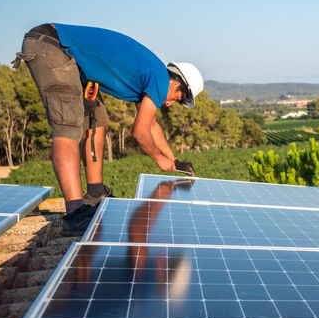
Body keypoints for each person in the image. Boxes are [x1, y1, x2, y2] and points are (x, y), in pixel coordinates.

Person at [13, 23, 201, 236]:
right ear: (178, 85)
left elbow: (151, 125)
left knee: (97, 119)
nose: (169, 104)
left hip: (73, 61)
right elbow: (140, 133)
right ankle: (75, 215)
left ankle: (95, 193)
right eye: (177, 99)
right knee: (68, 125)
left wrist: (174, 161)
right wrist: (159, 159)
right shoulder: (159, 79)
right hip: (53, 46)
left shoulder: (153, 73)